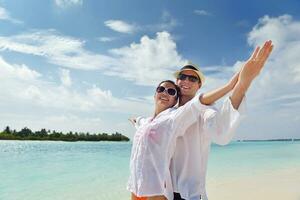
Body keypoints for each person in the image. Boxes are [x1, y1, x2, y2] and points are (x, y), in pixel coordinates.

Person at [169, 40, 273, 200]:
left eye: (193, 79)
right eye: (183, 77)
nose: (186, 81)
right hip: (164, 192)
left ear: (199, 86)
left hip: (190, 194)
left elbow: (221, 132)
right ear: (177, 81)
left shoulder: (205, 111)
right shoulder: (169, 113)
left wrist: (242, 85)